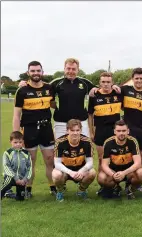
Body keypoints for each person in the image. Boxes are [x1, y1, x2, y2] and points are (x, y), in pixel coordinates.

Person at [13, 61, 55, 196]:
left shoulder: (49, 88)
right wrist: (16, 135)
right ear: (28, 73)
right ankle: (28, 189)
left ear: (42, 72)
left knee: (50, 160)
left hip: (46, 129)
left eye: (38, 70)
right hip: (29, 129)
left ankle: (53, 188)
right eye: (33, 71)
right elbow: (16, 115)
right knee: (30, 161)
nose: (36, 73)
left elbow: (54, 104)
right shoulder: (22, 90)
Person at [49, 58, 98, 138]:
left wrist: (113, 86)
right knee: (61, 147)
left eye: (73, 69)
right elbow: (41, 87)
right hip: (61, 122)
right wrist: (26, 83)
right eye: (68, 68)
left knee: (84, 146)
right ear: (64, 69)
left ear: (78, 70)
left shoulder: (85, 82)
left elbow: (101, 89)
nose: (71, 71)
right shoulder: (56, 83)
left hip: (81, 121)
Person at [98, 120, 142, 199]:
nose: (121, 133)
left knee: (141, 173)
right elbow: (104, 164)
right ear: (114, 131)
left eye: (124, 131)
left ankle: (130, 189)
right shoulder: (108, 142)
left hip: (129, 172)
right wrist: (113, 175)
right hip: (114, 172)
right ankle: (115, 188)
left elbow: (138, 163)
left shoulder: (133, 141)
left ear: (128, 131)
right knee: (101, 177)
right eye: (119, 131)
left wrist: (124, 173)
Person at [52, 119, 96, 201]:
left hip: (80, 170)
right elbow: (57, 163)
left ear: (81, 130)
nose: (75, 133)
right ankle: (60, 192)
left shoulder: (87, 141)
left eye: (77, 130)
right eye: (72, 130)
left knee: (92, 172)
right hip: (65, 171)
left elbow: (90, 162)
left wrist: (81, 171)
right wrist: (70, 172)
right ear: (67, 130)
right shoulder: (60, 142)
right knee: (56, 174)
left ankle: (81, 191)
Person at [120, 68, 142, 164]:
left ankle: (140, 178)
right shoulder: (125, 90)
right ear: (132, 79)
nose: (139, 80)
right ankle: (129, 178)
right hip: (129, 130)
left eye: (141, 78)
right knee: (128, 157)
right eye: (136, 78)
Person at [87, 72, 122, 165]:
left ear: (112, 82)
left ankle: (114, 178)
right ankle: (102, 179)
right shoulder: (94, 95)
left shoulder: (118, 93)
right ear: (100, 83)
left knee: (115, 158)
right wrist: (91, 132)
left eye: (108, 82)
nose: (106, 84)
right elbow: (90, 115)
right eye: (103, 81)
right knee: (101, 159)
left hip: (115, 131)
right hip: (100, 130)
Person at [1, 131, 32, 201]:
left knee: (20, 199)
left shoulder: (26, 153)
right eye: (15, 142)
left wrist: (25, 179)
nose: (18, 144)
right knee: (3, 189)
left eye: (20, 142)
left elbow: (29, 167)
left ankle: (9, 194)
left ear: (23, 142)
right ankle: (4, 192)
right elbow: (6, 166)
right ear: (10, 142)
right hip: (11, 177)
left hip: (22, 179)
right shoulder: (7, 153)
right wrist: (15, 178)